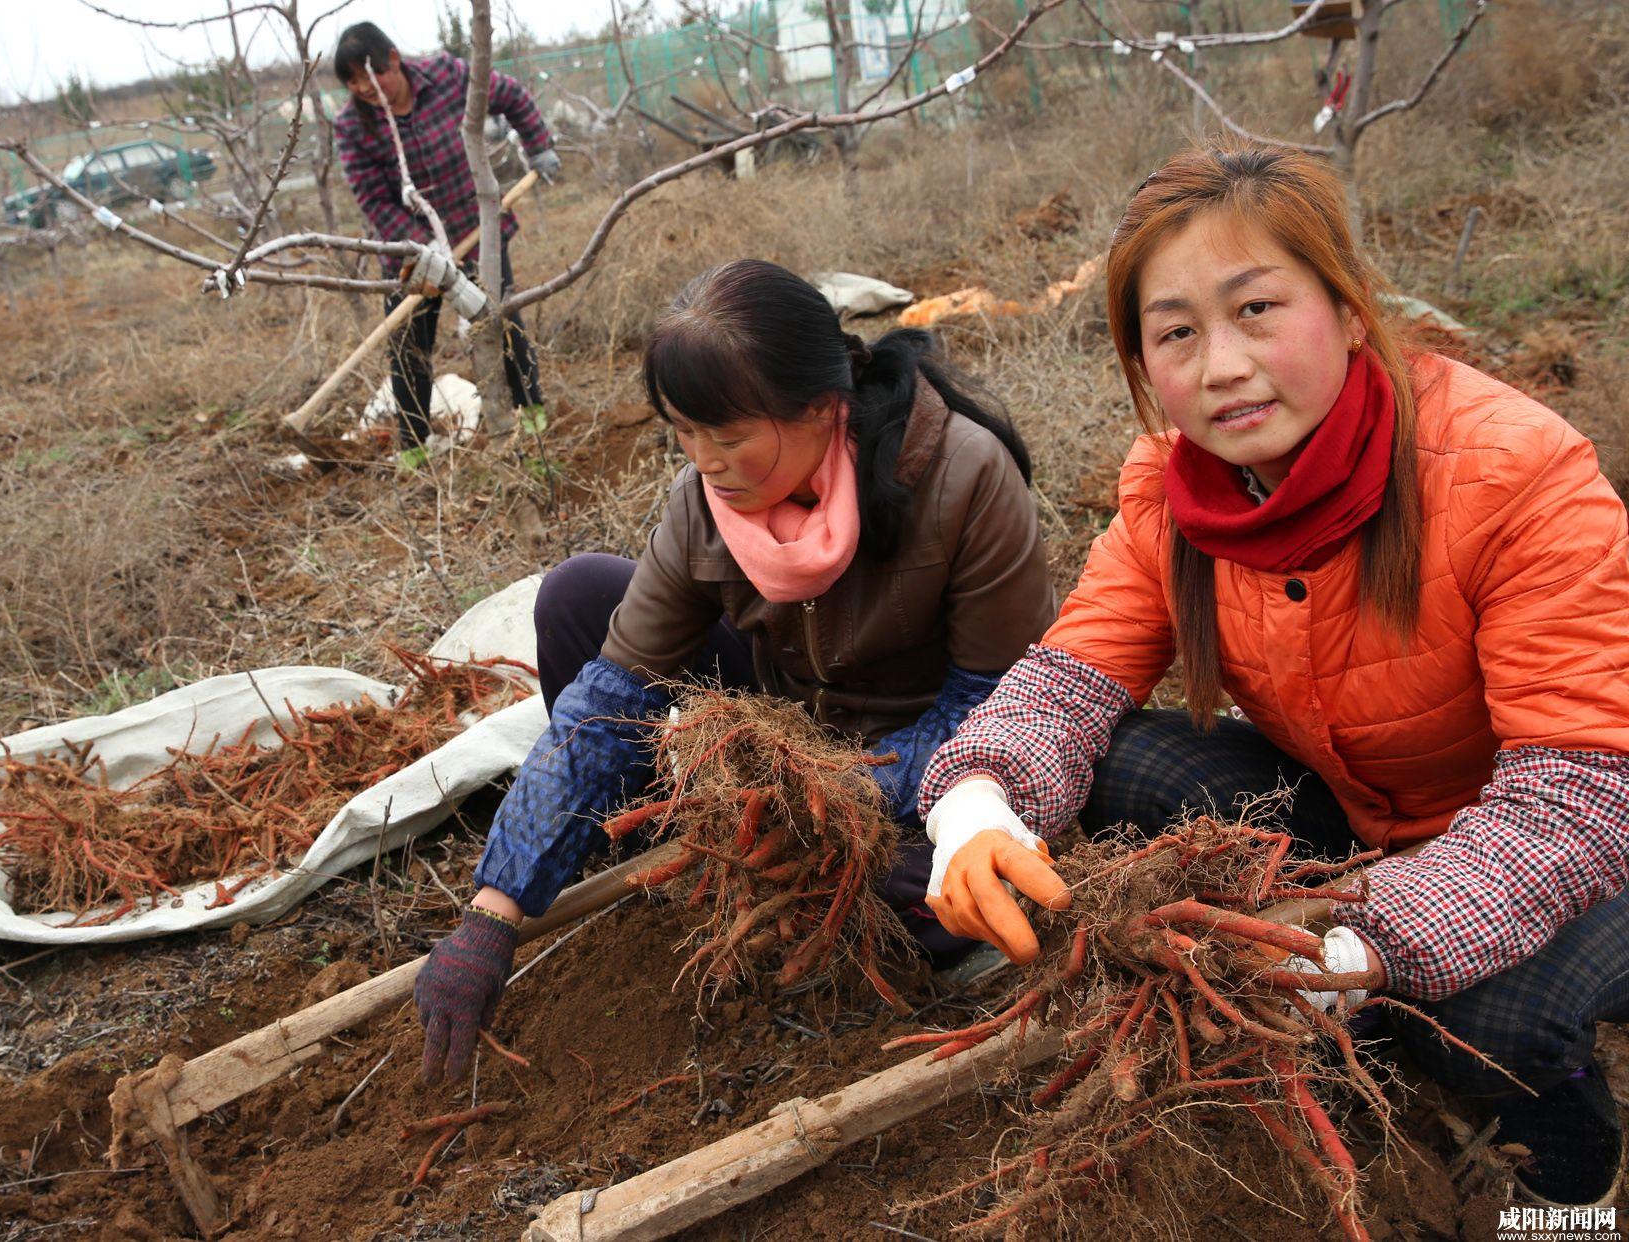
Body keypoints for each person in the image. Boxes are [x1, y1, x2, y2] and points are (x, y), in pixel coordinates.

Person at [915, 141, 1629, 1209]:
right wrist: (973, 803)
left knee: (1493, 1019)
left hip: (1585, 837)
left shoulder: (1513, 472)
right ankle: (1342, 1061)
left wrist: (1356, 940)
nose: (1219, 367)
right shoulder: (1173, 492)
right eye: (1174, 333)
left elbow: (1573, 803)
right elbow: (1064, 687)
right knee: (1116, 759)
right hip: (1371, 824)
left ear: (1344, 310)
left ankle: (1563, 1198)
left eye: (1255, 310)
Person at [411, 258, 1060, 1083]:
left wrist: (836, 799)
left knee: (925, 891)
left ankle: (846, 888)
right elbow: (609, 697)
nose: (704, 460)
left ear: (826, 406)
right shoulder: (702, 504)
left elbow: (1003, 705)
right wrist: (493, 908)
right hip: (791, 718)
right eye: (685, 431)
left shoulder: (962, 477)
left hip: (936, 753)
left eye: (728, 434)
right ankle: (674, 843)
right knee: (579, 595)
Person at [331, 22, 561, 469]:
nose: (364, 89)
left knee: (503, 320)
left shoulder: (449, 77)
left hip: (477, 233)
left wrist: (539, 147)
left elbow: (511, 94)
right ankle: (414, 447)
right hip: (409, 257)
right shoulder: (351, 126)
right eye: (354, 83)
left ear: (394, 60)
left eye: (370, 76)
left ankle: (530, 415)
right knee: (408, 348)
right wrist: (424, 250)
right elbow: (373, 200)